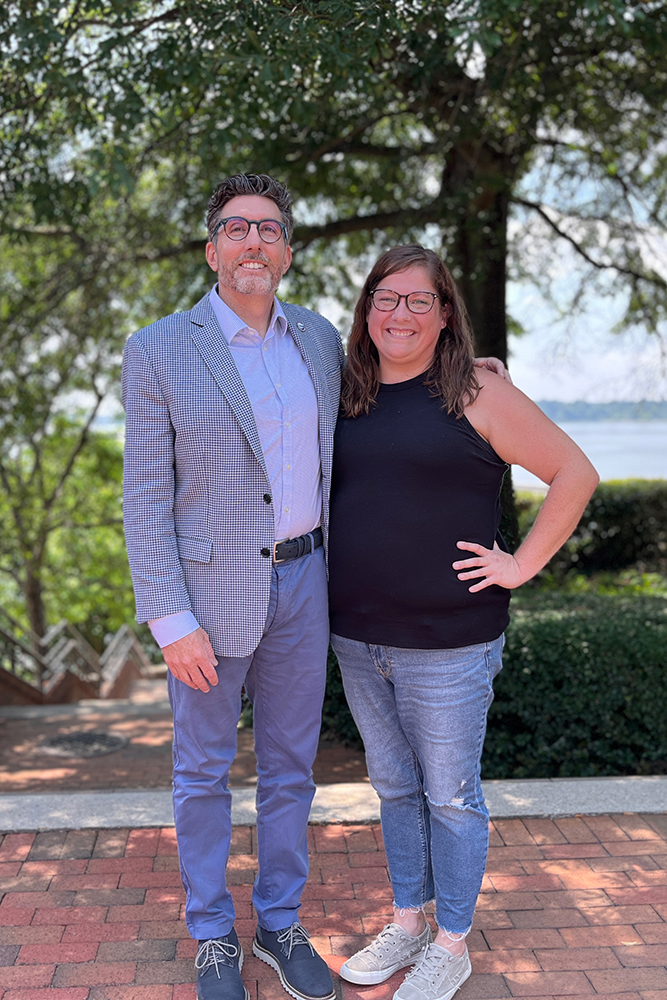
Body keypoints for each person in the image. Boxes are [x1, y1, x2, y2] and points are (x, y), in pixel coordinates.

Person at [122, 174, 508, 1000]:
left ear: (288, 253)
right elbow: (144, 496)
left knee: (292, 770)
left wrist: (468, 366)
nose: (252, 242)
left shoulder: (320, 338)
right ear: (211, 250)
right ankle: (212, 937)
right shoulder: (157, 349)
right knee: (201, 772)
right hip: (206, 599)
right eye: (234, 228)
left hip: (308, 586)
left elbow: (393, 378)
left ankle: (278, 921)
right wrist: (168, 618)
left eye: (268, 229)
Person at [329, 244, 599, 1000]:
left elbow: (574, 473)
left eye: (419, 300)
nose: (400, 314)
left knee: (448, 793)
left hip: (450, 639)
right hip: (354, 634)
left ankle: (451, 942)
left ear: (445, 313)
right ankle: (408, 921)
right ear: (366, 310)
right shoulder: (347, 390)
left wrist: (518, 564)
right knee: (392, 787)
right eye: (385, 298)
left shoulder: (476, 389)